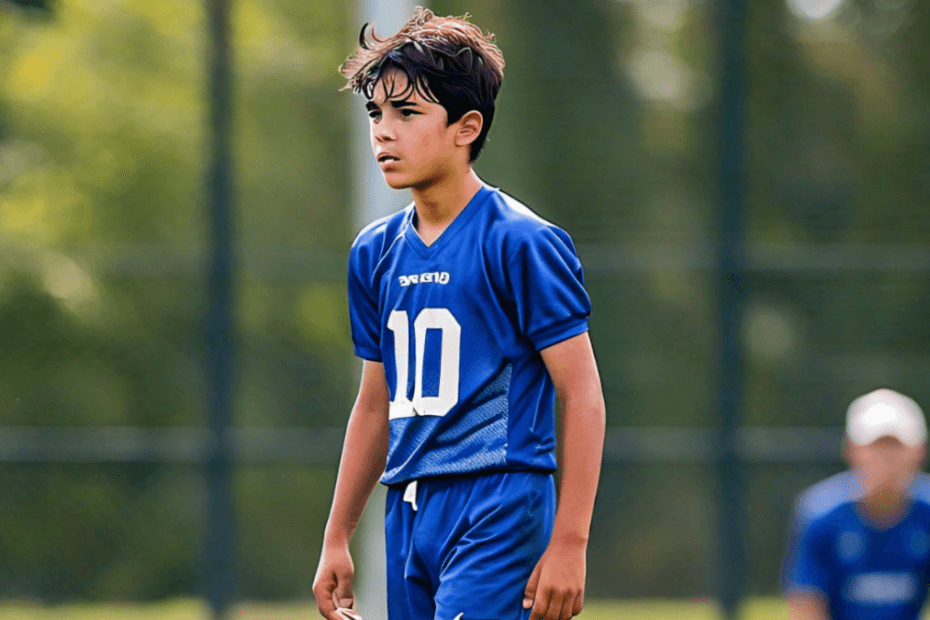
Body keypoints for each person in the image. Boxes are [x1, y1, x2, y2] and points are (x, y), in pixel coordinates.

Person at [311, 8, 606, 620]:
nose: (383, 132)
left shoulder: (521, 241)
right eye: (376, 113)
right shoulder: (374, 252)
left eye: (408, 113)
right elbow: (375, 402)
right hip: (409, 507)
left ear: (465, 127)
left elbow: (580, 394)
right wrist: (337, 534)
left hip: (498, 498)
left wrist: (571, 543)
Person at [783, 388, 930, 620]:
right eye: (876, 447)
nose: (886, 458)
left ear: (920, 451)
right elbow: (807, 603)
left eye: (896, 446)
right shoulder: (821, 514)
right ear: (852, 450)